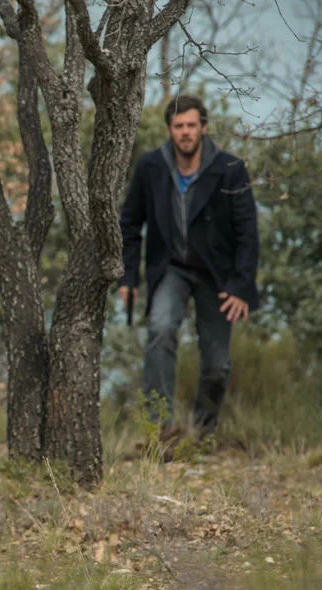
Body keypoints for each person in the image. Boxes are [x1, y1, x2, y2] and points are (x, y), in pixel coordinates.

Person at [118, 95, 258, 457]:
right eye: (178, 126)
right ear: (170, 129)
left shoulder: (229, 168)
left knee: (217, 364)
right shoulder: (151, 166)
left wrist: (241, 286)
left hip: (217, 276)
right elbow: (130, 224)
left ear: (203, 128)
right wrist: (128, 277)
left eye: (191, 125)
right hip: (171, 268)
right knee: (160, 329)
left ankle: (202, 434)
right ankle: (161, 429)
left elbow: (248, 233)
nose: (185, 132)